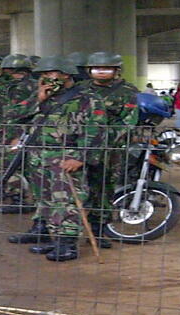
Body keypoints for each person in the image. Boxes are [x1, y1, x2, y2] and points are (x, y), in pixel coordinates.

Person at [6, 55, 107, 262]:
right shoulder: (45, 96)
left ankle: (67, 244)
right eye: (42, 74)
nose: (45, 78)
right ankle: (52, 237)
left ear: (66, 74)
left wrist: (81, 157)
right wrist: (38, 99)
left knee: (66, 200)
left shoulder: (86, 98)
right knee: (45, 200)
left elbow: (96, 131)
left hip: (66, 156)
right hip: (39, 156)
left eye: (49, 73)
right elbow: (12, 114)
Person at [79, 52, 139, 249]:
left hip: (110, 150)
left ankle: (97, 230)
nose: (101, 72)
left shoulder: (127, 91)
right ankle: (59, 229)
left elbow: (128, 121)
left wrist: (104, 140)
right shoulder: (80, 89)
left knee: (103, 189)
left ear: (116, 70)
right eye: (96, 68)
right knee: (72, 188)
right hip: (79, 147)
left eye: (107, 68)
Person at [0, 54, 37, 214]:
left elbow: (18, 114)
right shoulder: (29, 85)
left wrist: (14, 136)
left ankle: (19, 199)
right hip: (23, 132)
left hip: (19, 132)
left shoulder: (22, 87)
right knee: (24, 167)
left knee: (7, 164)